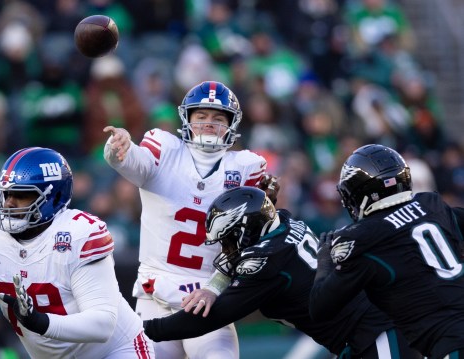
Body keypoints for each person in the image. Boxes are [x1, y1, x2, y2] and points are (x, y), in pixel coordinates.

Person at [0, 147, 154, 359]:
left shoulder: (78, 234)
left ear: (52, 197)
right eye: (6, 194)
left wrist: (41, 322)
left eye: (21, 194)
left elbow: (103, 324)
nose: (9, 203)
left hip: (114, 351)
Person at [143, 186, 421, 358]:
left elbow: (209, 318)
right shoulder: (284, 221)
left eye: (228, 239)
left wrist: (144, 329)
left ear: (246, 232)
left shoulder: (267, 261)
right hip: (363, 334)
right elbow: (236, 261)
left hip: (378, 332)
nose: (225, 250)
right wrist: (213, 286)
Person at [103, 81, 274, 359]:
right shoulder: (164, 149)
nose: (209, 124)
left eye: (218, 118)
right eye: (201, 117)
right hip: (153, 293)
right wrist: (118, 148)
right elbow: (132, 161)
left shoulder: (245, 168)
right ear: (187, 119)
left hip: (208, 297)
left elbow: (248, 242)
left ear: (231, 124)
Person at [309, 144, 464, 359]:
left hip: (451, 341)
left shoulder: (365, 238)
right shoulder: (431, 204)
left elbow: (320, 307)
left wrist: (324, 261)